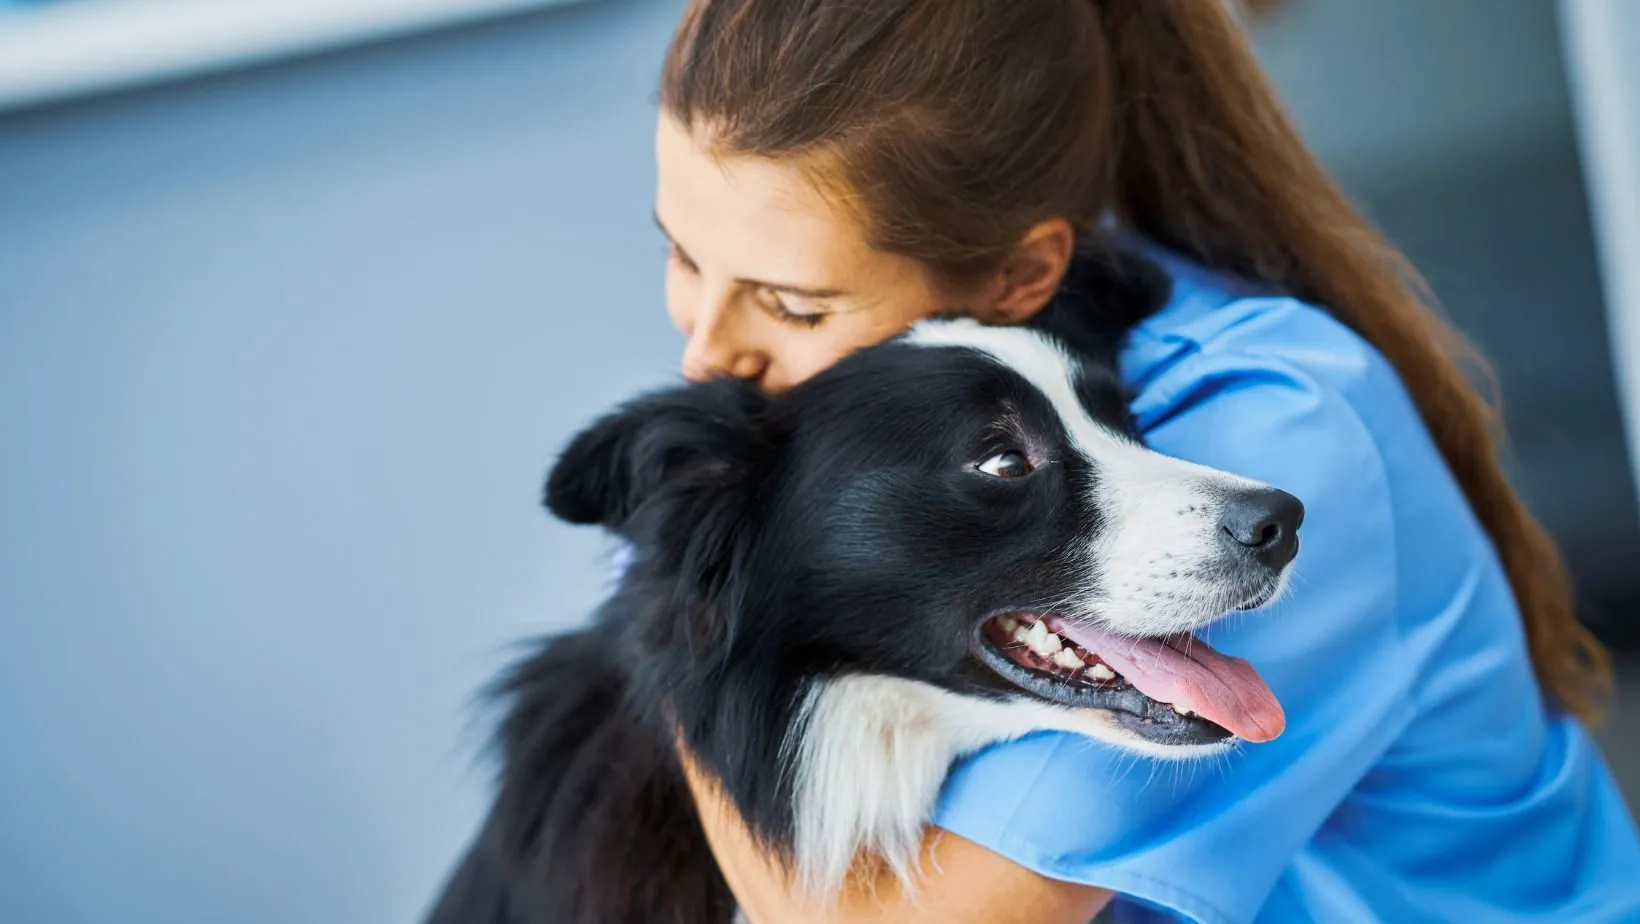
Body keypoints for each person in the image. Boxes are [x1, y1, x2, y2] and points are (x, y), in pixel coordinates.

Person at [640, 1, 1640, 921]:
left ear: (1019, 275)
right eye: (682, 257)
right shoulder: (925, 403)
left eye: (794, 305)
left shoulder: (1266, 434)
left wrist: (699, 606)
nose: (702, 355)